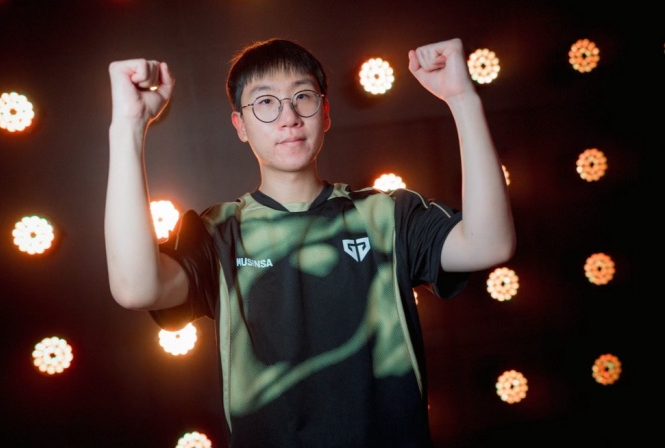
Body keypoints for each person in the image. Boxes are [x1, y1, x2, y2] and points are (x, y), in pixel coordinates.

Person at [105, 37, 515, 447]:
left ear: (326, 113)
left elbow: (490, 244)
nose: (288, 117)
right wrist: (128, 127)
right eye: (265, 102)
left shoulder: (386, 216)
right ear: (240, 126)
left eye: (303, 96)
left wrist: (462, 98)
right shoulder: (220, 232)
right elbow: (136, 288)